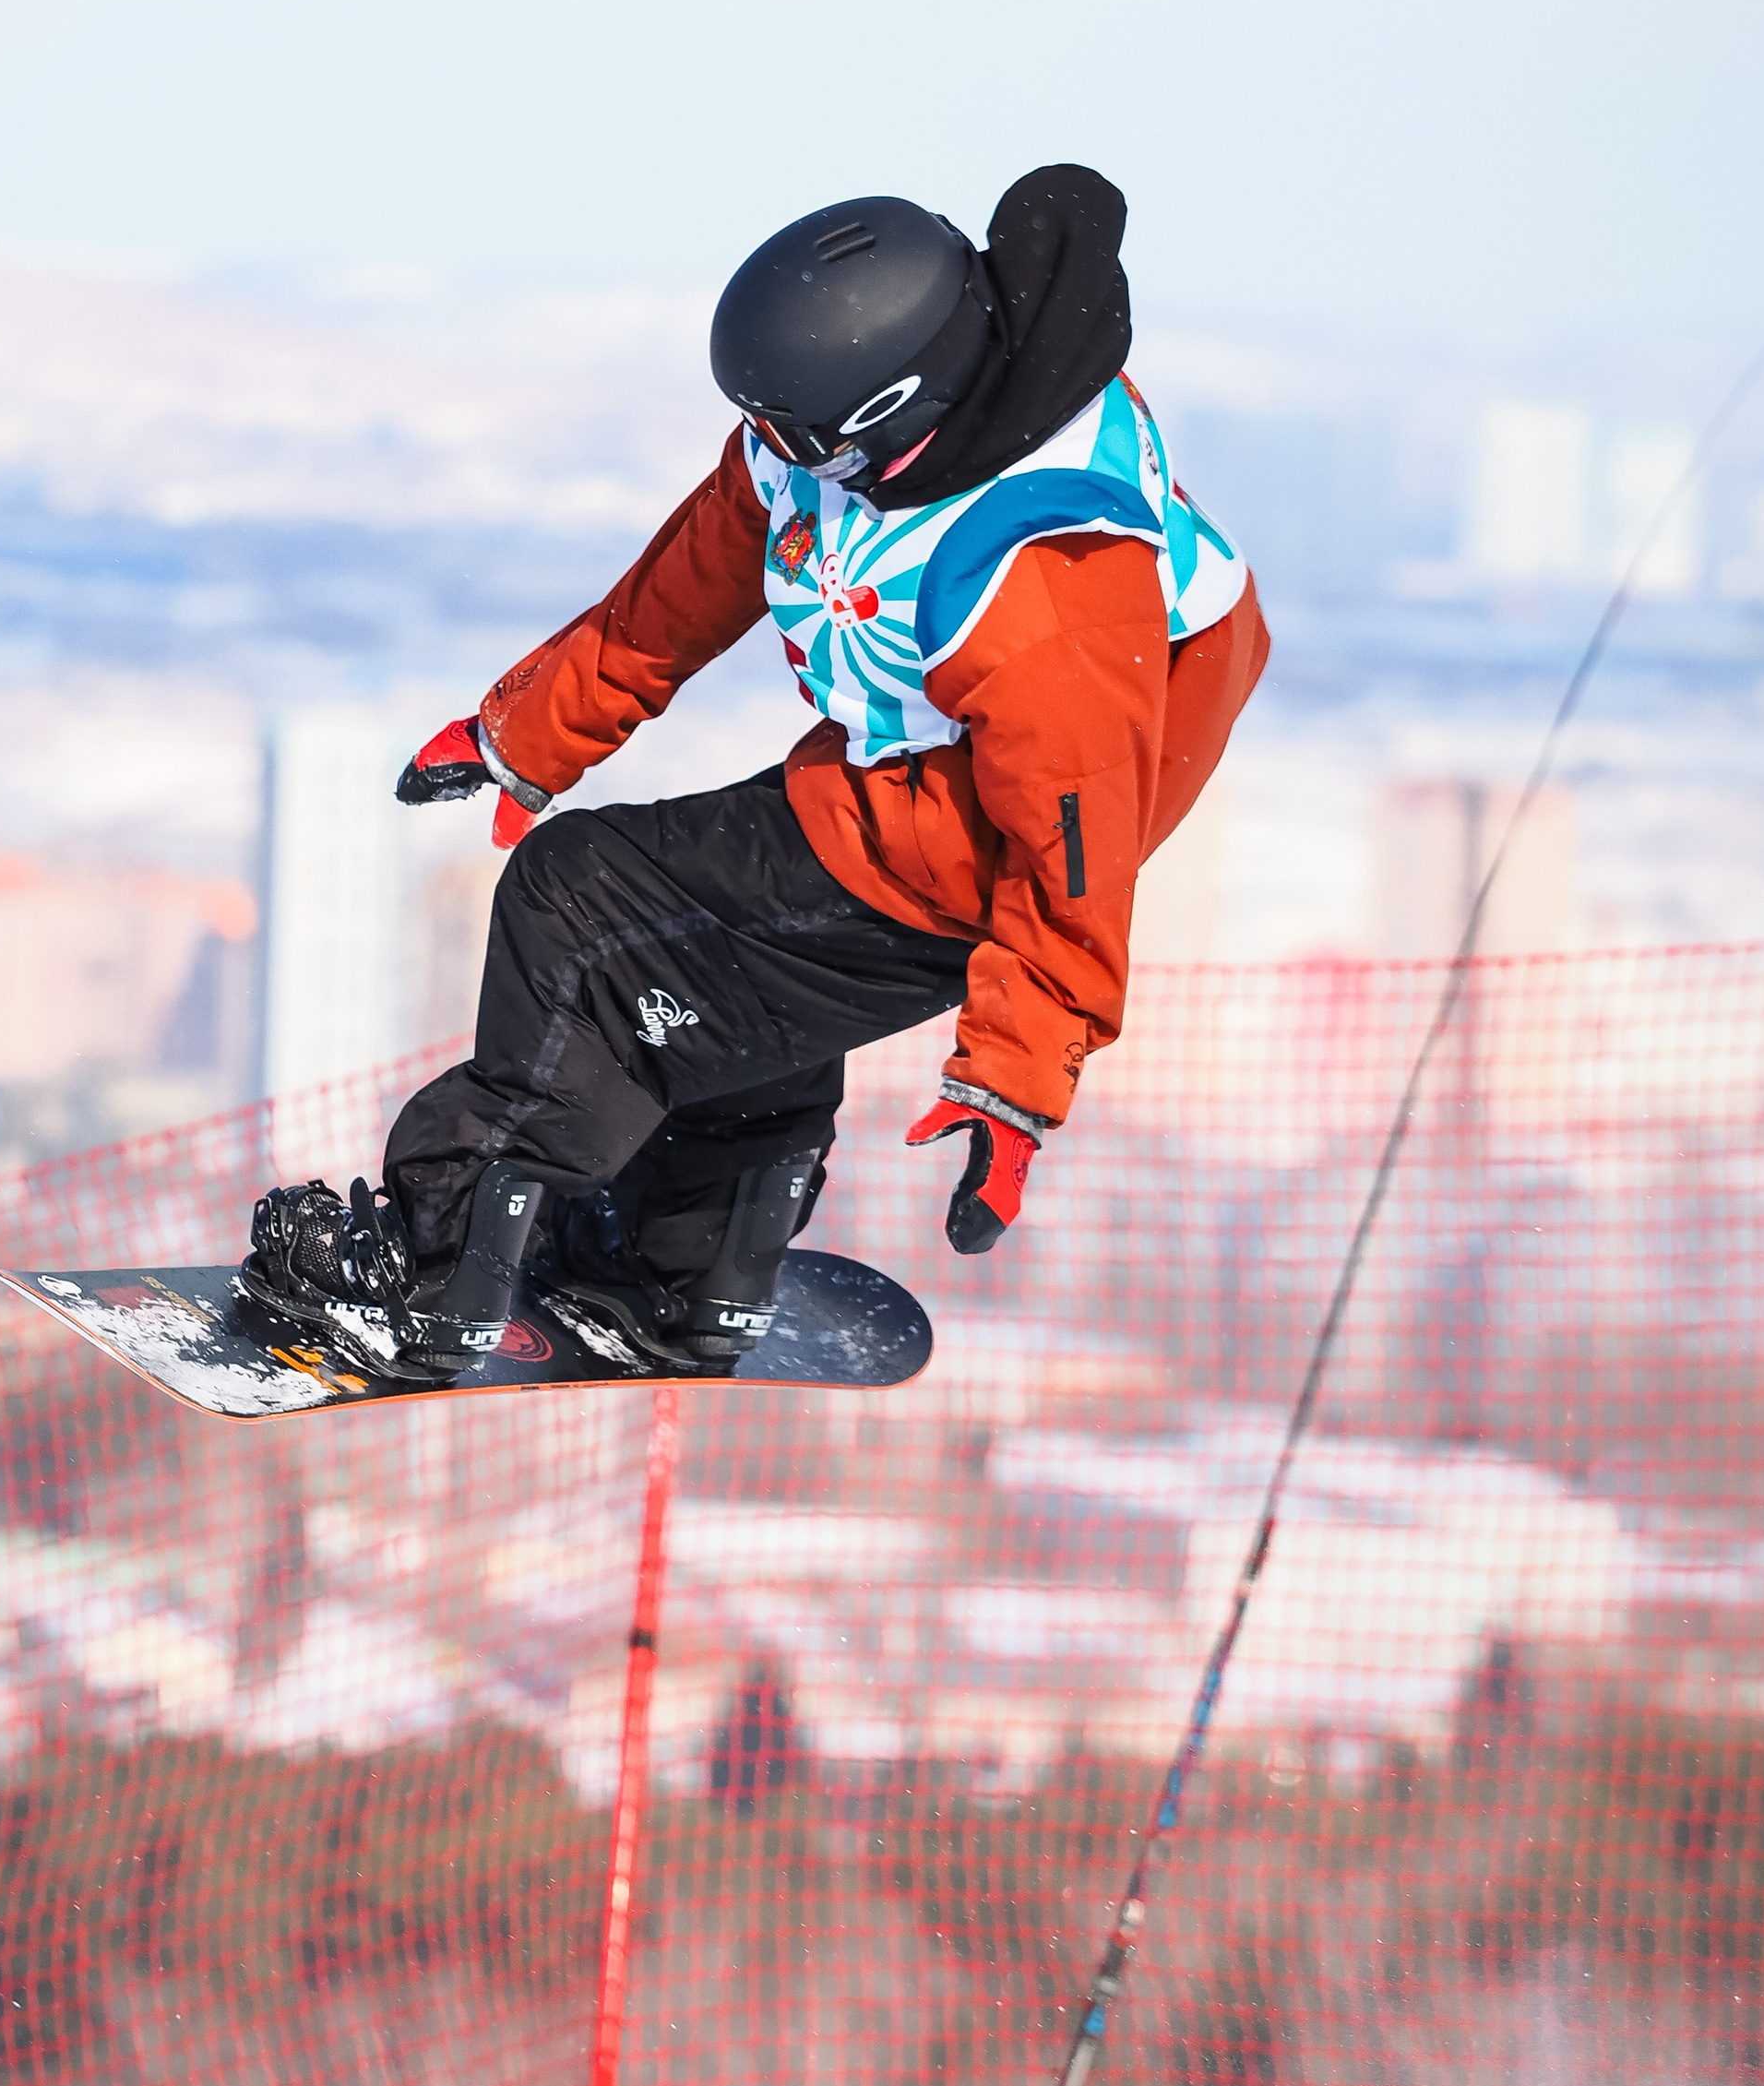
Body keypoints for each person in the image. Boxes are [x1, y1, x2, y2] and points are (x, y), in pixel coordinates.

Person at [241, 163, 1269, 1383]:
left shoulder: (1036, 583)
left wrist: (1018, 1078)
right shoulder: (858, 440)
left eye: (786, 431)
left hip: (977, 849)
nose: (764, 449)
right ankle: (689, 1274)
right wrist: (530, 733)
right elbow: (706, 563)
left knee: (581, 904)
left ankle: (428, 1269)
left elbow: (1074, 833)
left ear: (891, 407)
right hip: (917, 791)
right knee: (731, 963)